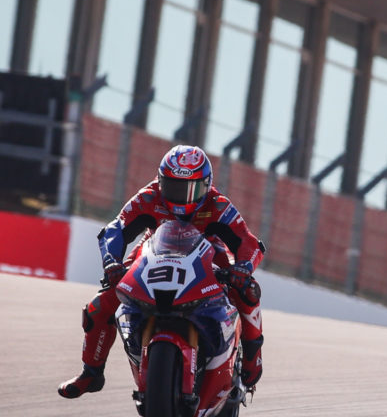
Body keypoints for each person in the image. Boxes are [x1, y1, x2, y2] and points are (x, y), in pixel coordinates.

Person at [58, 144, 265, 399]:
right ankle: (91, 373)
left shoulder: (218, 204)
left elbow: (247, 241)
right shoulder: (149, 196)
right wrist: (112, 263)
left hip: (208, 255)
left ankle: (252, 361)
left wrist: (242, 269)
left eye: (191, 189)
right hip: (153, 253)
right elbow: (116, 229)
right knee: (98, 307)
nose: (182, 197)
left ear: (206, 184)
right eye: (174, 187)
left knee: (248, 291)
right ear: (161, 180)